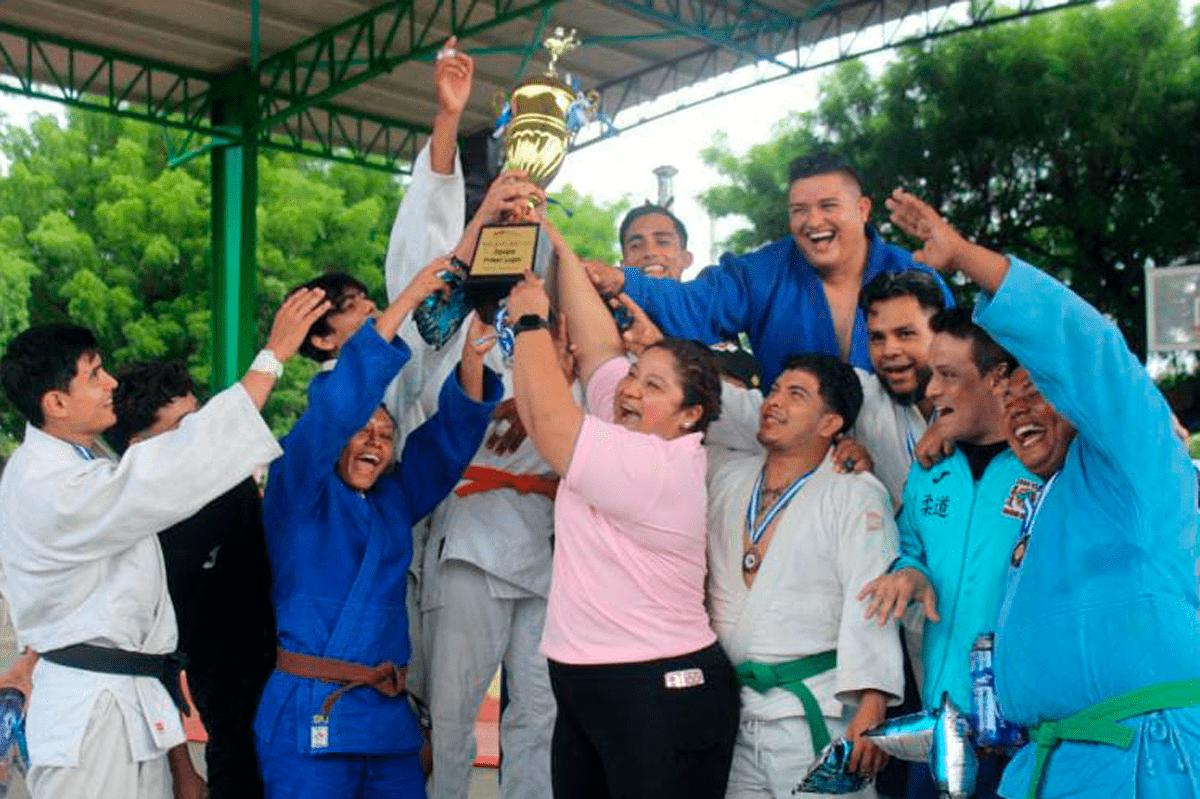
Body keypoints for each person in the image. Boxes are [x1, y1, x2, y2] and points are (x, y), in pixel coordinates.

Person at [886, 190, 1200, 799]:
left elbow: (1090, 351)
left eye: (1038, 390)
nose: (1020, 408)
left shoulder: (1132, 457)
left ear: (1080, 403)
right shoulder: (1048, 495)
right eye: (1008, 395)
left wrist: (967, 258)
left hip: (1141, 757)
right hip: (1055, 763)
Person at [0, 289, 328, 799]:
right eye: (95, 375)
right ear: (56, 403)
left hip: (129, 699)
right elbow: (166, 472)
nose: (111, 383)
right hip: (91, 713)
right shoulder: (46, 483)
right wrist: (271, 360)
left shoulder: (84, 465)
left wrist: (178, 758)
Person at [381, 43, 559, 799]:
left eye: (523, 223)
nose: (510, 228)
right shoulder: (444, 319)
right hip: (467, 544)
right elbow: (421, 252)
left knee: (539, 716)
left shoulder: (545, 320)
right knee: (450, 716)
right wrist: (448, 127)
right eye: (496, 217)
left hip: (550, 546)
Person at [253, 258, 503, 799]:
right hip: (312, 711)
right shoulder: (297, 486)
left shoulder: (393, 499)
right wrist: (409, 297)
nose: (374, 441)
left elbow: (445, 444)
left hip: (386, 721)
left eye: (386, 434)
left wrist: (473, 354)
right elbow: (332, 412)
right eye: (361, 431)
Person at [506, 223, 740, 799]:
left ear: (690, 416)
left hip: (656, 686)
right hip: (587, 683)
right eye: (638, 375)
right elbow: (600, 350)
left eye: (653, 386)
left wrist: (531, 321)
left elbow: (551, 424)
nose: (630, 390)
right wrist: (555, 242)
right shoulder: (623, 417)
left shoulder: (657, 465)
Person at [858, 309, 1038, 799]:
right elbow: (910, 546)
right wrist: (910, 572)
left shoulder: (1052, 467)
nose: (931, 390)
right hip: (944, 731)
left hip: (1032, 744)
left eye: (948, 375)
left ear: (1000, 380)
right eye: (932, 374)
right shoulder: (929, 467)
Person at [707, 352, 903, 798]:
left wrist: (872, 704)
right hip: (732, 715)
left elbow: (871, 598)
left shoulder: (856, 493)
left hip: (816, 714)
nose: (774, 402)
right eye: (774, 390)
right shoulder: (726, 477)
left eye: (796, 395)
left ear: (830, 423)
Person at [588, 152, 953, 387]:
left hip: (914, 453)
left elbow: (959, 363)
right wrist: (620, 279)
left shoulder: (911, 274)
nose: (813, 222)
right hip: (795, 460)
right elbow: (694, 304)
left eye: (828, 206)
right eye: (799, 210)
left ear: (862, 209)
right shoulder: (761, 272)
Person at [107, 360, 276, 799]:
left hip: (294, 679)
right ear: (138, 445)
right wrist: (182, 768)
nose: (201, 436)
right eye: (184, 427)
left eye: (200, 419)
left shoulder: (230, 481)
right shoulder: (135, 531)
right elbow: (152, 665)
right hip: (228, 703)